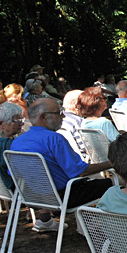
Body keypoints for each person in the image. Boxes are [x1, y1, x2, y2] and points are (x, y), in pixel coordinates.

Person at [11, 98, 115, 232]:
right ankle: (104, 228)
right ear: (44, 117)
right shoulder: (54, 138)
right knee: (113, 183)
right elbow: (81, 171)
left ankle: (45, 220)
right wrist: (112, 163)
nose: (63, 116)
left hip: (34, 198)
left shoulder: (17, 142)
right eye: (58, 113)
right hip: (63, 197)